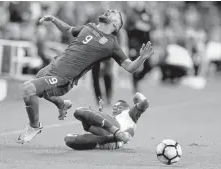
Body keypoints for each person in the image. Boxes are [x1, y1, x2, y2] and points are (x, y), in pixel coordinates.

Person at [16, 9, 154, 144]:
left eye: (114, 13)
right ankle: (61, 103)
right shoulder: (88, 27)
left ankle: (34, 126)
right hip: (52, 67)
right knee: (37, 88)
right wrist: (53, 19)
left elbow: (129, 67)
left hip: (64, 78)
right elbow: (69, 30)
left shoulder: (111, 43)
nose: (109, 11)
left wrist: (142, 57)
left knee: (29, 88)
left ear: (116, 25)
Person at [64, 92, 149, 150]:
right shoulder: (117, 118)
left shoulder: (130, 114)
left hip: (116, 133)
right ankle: (110, 139)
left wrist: (137, 95)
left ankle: (116, 133)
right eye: (114, 108)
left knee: (80, 111)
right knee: (69, 140)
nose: (115, 109)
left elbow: (145, 102)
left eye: (119, 107)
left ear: (127, 108)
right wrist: (99, 112)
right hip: (109, 140)